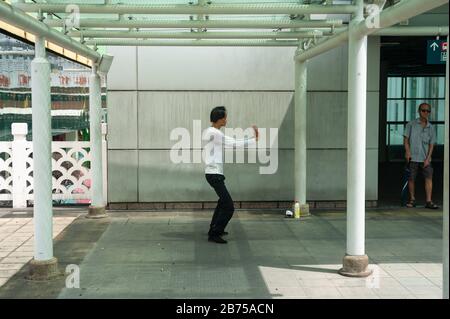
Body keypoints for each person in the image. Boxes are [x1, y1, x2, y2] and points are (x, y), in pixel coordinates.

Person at [204, 106, 259, 244]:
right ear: (220, 119)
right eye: (225, 117)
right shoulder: (214, 133)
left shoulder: (211, 131)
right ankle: (214, 234)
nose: (226, 120)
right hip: (214, 173)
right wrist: (253, 140)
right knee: (229, 206)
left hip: (214, 173)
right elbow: (234, 144)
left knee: (222, 202)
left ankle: (214, 228)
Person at [403, 102, 438, 209]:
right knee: (411, 178)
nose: (425, 112)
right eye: (423, 110)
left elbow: (432, 144)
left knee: (428, 178)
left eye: (428, 111)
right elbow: (406, 140)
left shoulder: (431, 127)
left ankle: (428, 201)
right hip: (413, 157)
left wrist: (428, 158)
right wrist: (408, 152)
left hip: (425, 158)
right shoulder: (411, 124)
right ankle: (412, 199)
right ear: (419, 111)